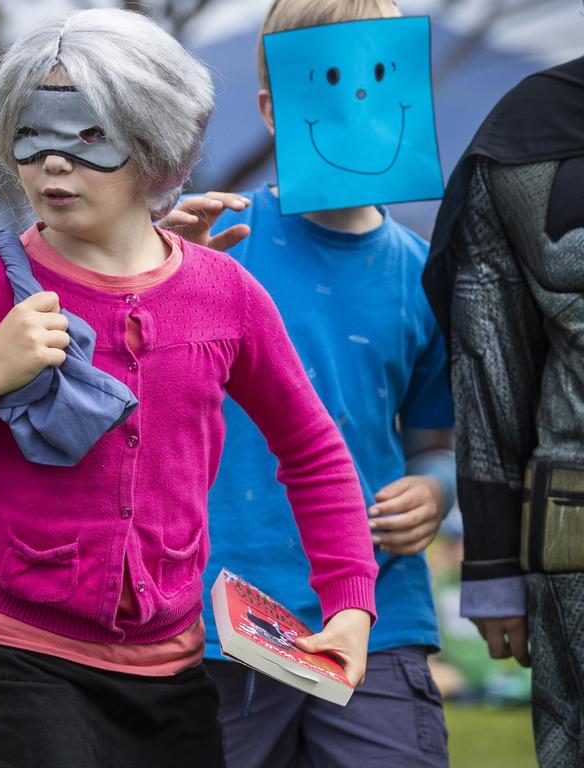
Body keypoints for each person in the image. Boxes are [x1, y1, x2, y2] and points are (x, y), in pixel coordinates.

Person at [0, 9, 378, 767]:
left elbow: (313, 450)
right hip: (13, 657)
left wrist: (351, 604)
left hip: (174, 668)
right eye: (32, 132)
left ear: (157, 143)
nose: (52, 163)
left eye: (88, 136)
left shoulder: (227, 295)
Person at [162, 1, 456, 764]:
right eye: (320, 83)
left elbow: (437, 437)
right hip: (220, 617)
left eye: (376, 76)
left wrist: (436, 490)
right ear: (271, 108)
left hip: (378, 617)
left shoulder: (422, 274)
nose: (352, 103)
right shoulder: (219, 243)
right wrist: (166, 276)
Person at [422, 54, 584, 768]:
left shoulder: (527, 125)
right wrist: (488, 565)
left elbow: (490, 367)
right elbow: (489, 368)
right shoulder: (528, 130)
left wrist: (491, 566)